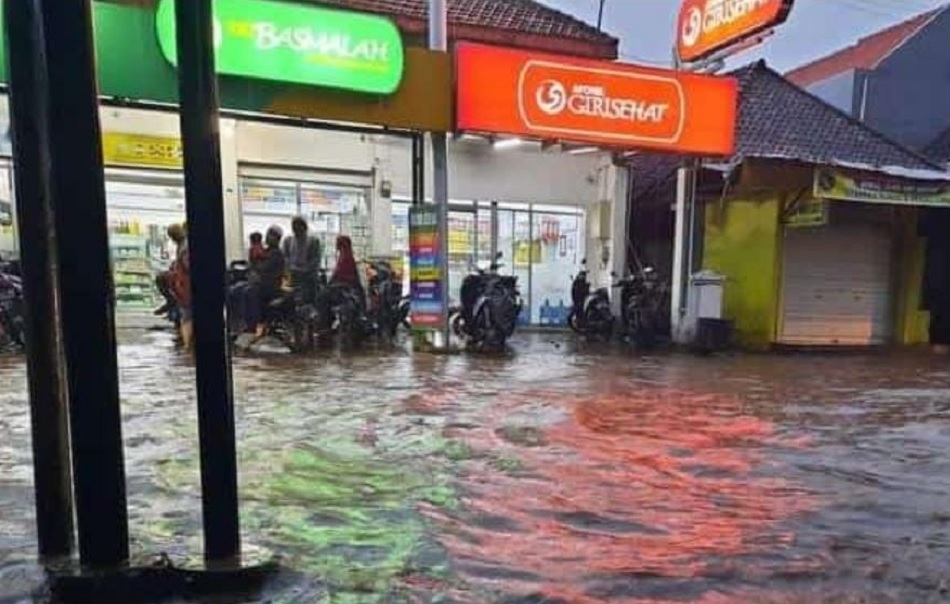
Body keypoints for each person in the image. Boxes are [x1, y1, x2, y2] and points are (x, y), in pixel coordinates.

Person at [243, 226, 286, 338]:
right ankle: (246, 324)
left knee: (249, 292)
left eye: (270, 235)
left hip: (271, 288)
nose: (267, 237)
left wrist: (254, 264)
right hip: (262, 285)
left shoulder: (276, 254)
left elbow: (262, 268)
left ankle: (253, 325)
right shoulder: (265, 251)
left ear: (277, 239)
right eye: (267, 234)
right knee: (238, 290)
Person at [282, 216, 321, 302]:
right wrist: (290, 269)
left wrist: (304, 270)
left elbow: (315, 260)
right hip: (291, 275)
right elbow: (285, 258)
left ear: (304, 227)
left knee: (306, 302)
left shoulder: (313, 241)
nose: (296, 231)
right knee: (288, 300)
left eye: (298, 228)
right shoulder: (288, 241)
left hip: (307, 277)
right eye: (294, 228)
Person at [154, 223, 187, 316]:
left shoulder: (184, 245)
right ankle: (171, 301)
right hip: (179, 273)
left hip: (182, 276)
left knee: (160, 278)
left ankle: (171, 301)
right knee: (161, 276)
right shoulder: (181, 244)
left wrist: (175, 269)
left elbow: (186, 265)